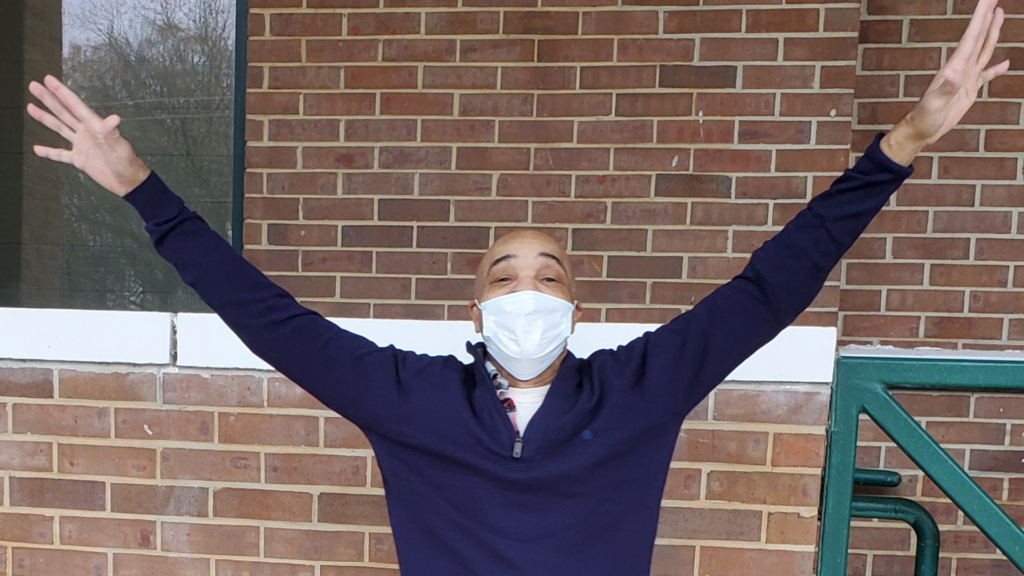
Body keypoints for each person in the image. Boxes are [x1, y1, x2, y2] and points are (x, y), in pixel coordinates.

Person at [24, 1, 1010, 574]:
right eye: (505, 274)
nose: (527, 289)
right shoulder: (406, 398)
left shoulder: (641, 388)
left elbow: (771, 286)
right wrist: (142, 189)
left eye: (550, 274)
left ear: (577, 310)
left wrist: (901, 144)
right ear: (476, 308)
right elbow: (268, 317)